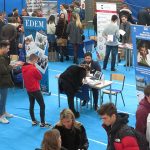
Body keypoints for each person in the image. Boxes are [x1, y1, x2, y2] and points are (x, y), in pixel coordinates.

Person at [22, 54, 51, 128]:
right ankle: (42, 123)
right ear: (34, 60)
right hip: (35, 90)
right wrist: (35, 67)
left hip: (29, 90)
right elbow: (40, 77)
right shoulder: (33, 69)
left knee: (31, 105)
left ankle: (33, 121)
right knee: (42, 105)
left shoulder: (24, 67)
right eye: (36, 60)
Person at [0, 40, 14, 124]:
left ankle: (4, 112)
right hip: (2, 81)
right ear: (3, 48)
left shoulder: (3, 56)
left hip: (4, 80)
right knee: (2, 99)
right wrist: (12, 66)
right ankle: (1, 116)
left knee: (3, 98)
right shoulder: (1, 58)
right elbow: (4, 70)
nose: (8, 50)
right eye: (7, 48)